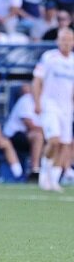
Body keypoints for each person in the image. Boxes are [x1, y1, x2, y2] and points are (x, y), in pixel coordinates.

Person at [33, 28, 74, 192]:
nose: (66, 42)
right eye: (63, 39)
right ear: (58, 41)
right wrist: (37, 102)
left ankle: (54, 179)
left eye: (69, 39)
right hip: (50, 104)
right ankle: (44, 171)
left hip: (66, 107)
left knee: (65, 144)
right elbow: (37, 81)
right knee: (54, 140)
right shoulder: (49, 57)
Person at [3, 84, 43, 181]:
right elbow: (29, 124)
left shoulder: (47, 101)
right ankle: (35, 170)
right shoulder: (26, 100)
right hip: (15, 134)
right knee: (38, 137)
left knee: (61, 141)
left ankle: (60, 171)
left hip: (31, 134)